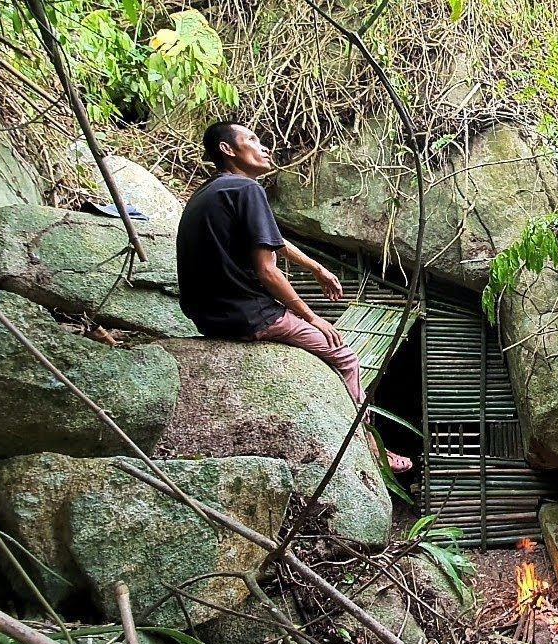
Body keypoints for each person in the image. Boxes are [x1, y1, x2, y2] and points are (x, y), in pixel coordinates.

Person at [176, 120, 413, 474]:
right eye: (252, 140)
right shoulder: (247, 189)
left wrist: (316, 268)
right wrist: (312, 317)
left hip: (209, 315)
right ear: (228, 150)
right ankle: (371, 450)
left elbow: (271, 239)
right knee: (345, 356)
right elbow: (267, 270)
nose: (264, 146)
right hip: (248, 315)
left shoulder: (211, 191)